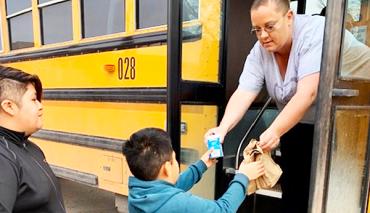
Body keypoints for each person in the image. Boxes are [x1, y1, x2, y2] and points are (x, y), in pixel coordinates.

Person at [205, 0, 324, 212]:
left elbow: (308, 93)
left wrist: (274, 130)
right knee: (295, 191)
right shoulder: (259, 51)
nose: (263, 36)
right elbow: (244, 92)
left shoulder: (314, 31)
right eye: (257, 29)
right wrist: (222, 129)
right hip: (296, 123)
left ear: (289, 17)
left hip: (342, 121)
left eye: (269, 27)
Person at [122, 127, 265, 213]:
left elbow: (169, 189)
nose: (176, 163)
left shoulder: (138, 194)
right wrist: (243, 176)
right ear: (166, 168)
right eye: (174, 159)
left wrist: (202, 165)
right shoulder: (179, 203)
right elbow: (223, 210)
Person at [0, 66, 66, 213]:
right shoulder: (3, 158)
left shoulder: (29, 147)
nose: (40, 106)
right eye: (34, 99)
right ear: (9, 106)